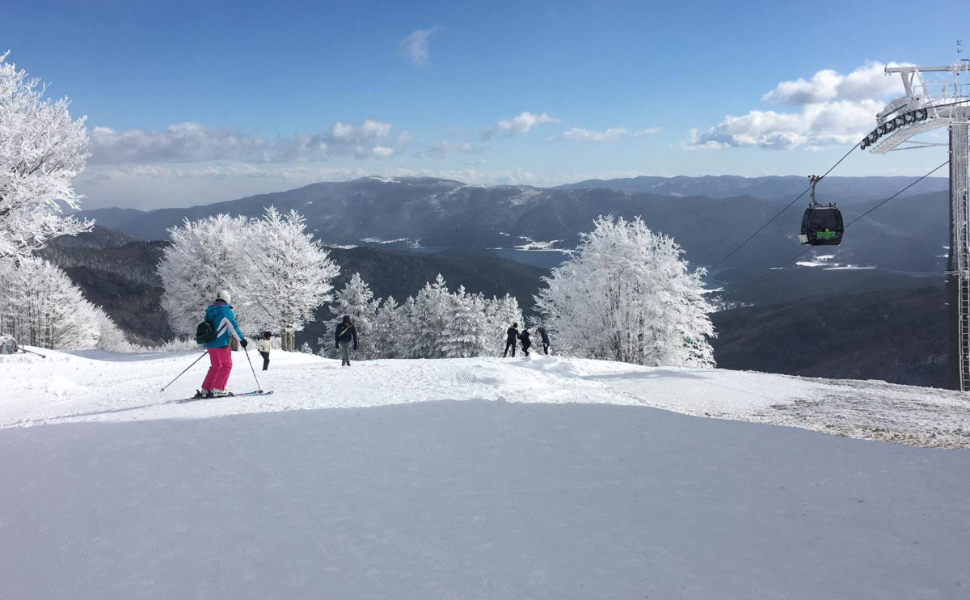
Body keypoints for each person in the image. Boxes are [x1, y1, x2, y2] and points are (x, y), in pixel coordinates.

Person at [195, 290, 246, 399]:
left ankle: (206, 389)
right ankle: (218, 389)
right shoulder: (225, 311)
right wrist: (242, 340)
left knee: (215, 366)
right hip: (221, 344)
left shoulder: (210, 310)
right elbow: (233, 327)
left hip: (210, 344)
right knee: (226, 366)